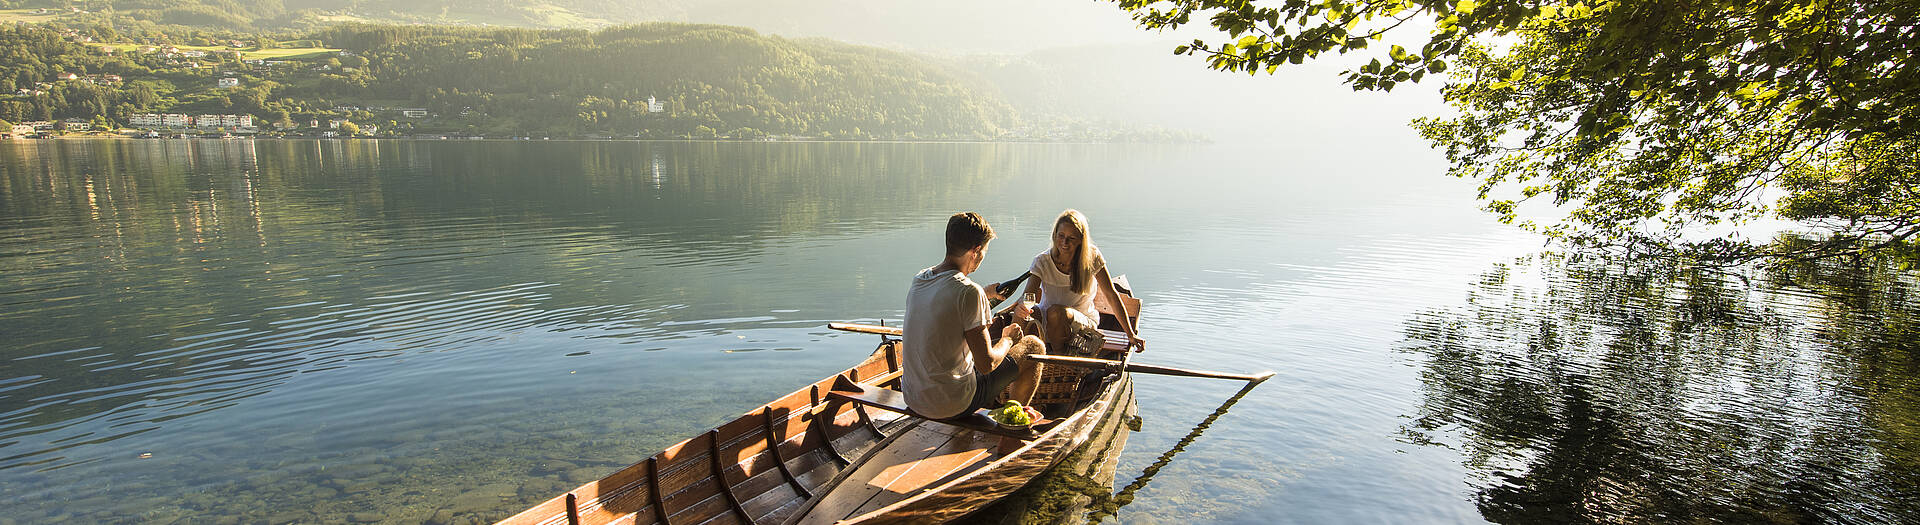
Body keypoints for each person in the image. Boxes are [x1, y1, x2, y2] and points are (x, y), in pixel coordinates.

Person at [902, 212, 1046, 419]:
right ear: (975, 250)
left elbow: (947, 306)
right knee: (1033, 346)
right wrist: (1008, 339)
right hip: (951, 404)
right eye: (985, 250)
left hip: (914, 398)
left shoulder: (921, 279)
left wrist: (986, 294)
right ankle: (1012, 424)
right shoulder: (969, 292)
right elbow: (987, 365)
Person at [1014, 209, 1145, 357]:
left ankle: (1059, 360)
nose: (1064, 243)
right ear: (1055, 234)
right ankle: (1011, 358)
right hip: (1048, 321)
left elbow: (1111, 295)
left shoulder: (1092, 257)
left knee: (1056, 312)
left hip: (1081, 325)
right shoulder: (1042, 261)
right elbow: (1027, 296)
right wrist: (1021, 308)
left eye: (1071, 238)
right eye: (1061, 236)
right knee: (1022, 312)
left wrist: (1130, 334)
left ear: (1081, 240)